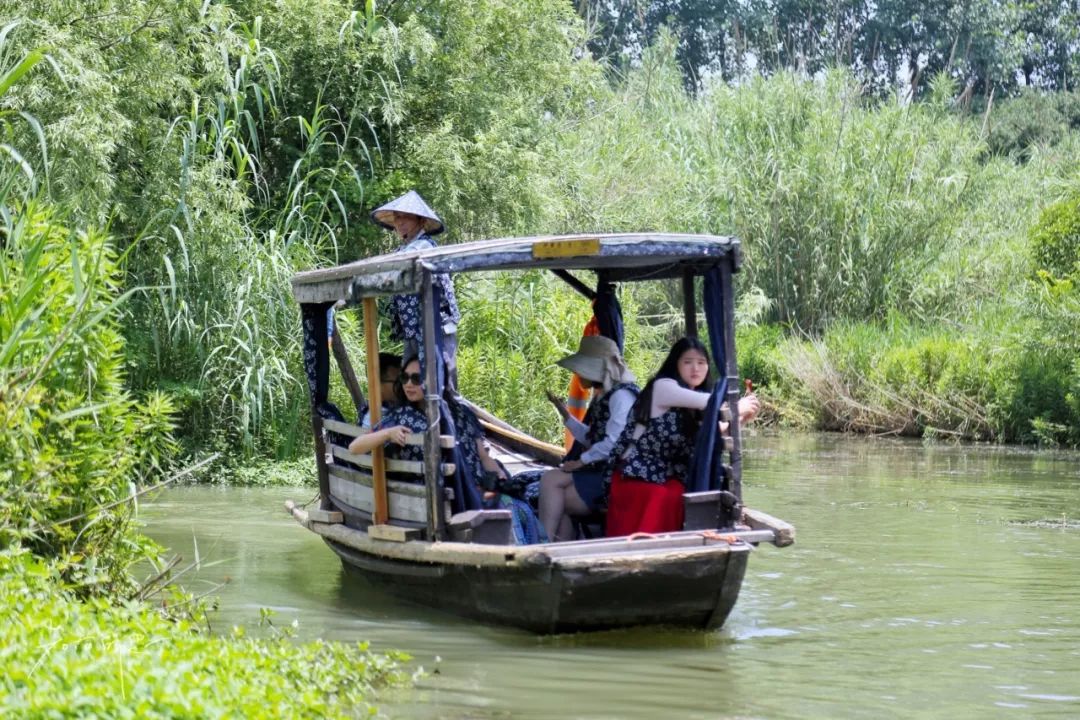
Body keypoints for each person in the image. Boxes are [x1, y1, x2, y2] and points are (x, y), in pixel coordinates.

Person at [348, 356, 545, 544]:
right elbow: (355, 447)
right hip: (441, 496)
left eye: (416, 378)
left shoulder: (460, 413)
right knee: (504, 509)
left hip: (476, 488)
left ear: (434, 379)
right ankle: (514, 561)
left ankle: (532, 557)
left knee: (519, 506)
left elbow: (484, 457)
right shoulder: (401, 416)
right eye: (404, 378)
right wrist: (387, 434)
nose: (408, 384)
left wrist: (500, 476)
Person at [604, 337, 760, 537]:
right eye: (687, 362)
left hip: (664, 477)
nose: (695, 368)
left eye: (701, 363)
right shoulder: (664, 387)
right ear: (675, 364)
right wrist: (737, 407)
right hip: (635, 476)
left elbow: (711, 434)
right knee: (666, 494)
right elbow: (712, 402)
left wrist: (741, 418)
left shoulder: (695, 399)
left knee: (681, 492)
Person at [539, 336, 638, 542]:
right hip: (603, 468)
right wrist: (566, 415)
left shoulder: (621, 397)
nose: (577, 373)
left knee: (553, 488)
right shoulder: (605, 394)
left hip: (617, 473)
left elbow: (613, 443)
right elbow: (593, 438)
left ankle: (544, 543)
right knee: (555, 491)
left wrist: (580, 462)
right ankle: (556, 549)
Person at [370, 190, 461, 389]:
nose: (400, 222)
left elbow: (396, 267)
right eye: (397, 218)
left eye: (405, 217)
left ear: (420, 221)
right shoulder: (403, 249)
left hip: (436, 327)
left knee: (441, 383)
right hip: (413, 328)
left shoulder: (424, 246)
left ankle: (446, 419)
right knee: (411, 382)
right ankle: (416, 419)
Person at [359, 352, 402, 431]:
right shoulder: (371, 418)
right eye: (397, 381)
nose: (403, 385)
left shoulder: (398, 405)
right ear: (378, 384)